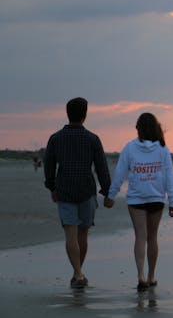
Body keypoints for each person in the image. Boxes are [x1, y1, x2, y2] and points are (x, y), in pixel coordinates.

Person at [105, 113, 173, 292]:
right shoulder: (162, 149)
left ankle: (141, 276)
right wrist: (172, 201)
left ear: (139, 129)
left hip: (137, 198)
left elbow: (120, 173)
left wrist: (111, 195)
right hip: (156, 198)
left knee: (140, 237)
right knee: (152, 237)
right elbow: (170, 176)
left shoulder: (130, 148)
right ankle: (152, 276)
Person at [44, 97, 111, 288]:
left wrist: (52, 187)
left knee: (70, 234)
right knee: (83, 234)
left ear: (68, 113)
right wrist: (107, 191)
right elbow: (101, 168)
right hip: (86, 190)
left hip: (64, 189)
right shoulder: (92, 139)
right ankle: (78, 273)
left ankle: (78, 273)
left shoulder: (56, 138)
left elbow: (48, 165)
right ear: (85, 114)